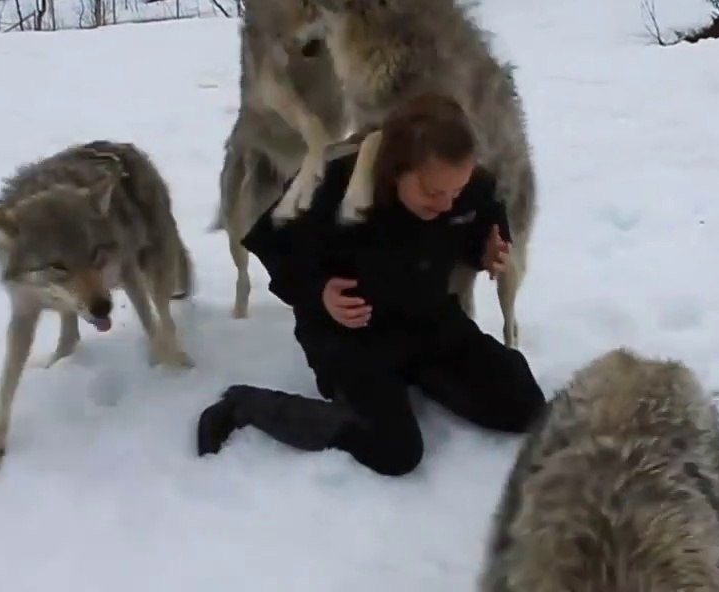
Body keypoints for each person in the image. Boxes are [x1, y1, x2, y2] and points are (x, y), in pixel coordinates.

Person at [196, 93, 547, 476]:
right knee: (394, 450)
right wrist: (320, 294)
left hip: (428, 319)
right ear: (396, 170)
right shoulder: (331, 185)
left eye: (456, 192)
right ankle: (244, 405)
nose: (447, 204)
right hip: (351, 335)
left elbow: (482, 220)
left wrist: (489, 249)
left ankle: (421, 377)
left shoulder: (462, 186)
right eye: (433, 193)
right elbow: (278, 251)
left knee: (524, 407)